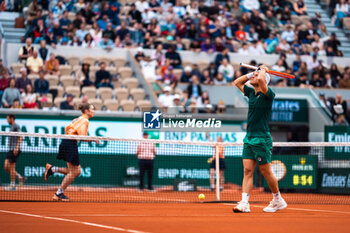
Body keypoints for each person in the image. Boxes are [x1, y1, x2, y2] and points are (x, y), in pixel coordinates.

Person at [232, 65, 287, 213]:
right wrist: (253, 73)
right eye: (254, 76)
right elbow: (237, 82)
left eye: (256, 76)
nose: (254, 77)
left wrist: (263, 70)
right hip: (249, 138)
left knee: (266, 171)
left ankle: (277, 199)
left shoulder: (268, 94)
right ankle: (244, 203)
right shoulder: (250, 92)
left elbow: (262, 78)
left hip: (262, 139)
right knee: (247, 171)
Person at [44, 103, 99, 201]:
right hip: (70, 144)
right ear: (86, 111)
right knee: (75, 172)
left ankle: (52, 169)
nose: (94, 111)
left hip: (66, 141)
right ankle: (58, 193)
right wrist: (93, 139)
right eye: (92, 109)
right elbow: (83, 138)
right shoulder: (85, 120)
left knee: (76, 171)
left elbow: (66, 128)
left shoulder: (77, 119)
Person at [3, 114, 25, 191]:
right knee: (6, 166)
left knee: (12, 167)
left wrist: (17, 148)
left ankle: (12, 185)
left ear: (12, 119)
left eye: (7, 118)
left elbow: (21, 137)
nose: (7, 120)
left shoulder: (16, 126)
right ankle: (19, 177)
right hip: (11, 149)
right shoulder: (11, 126)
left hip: (15, 149)